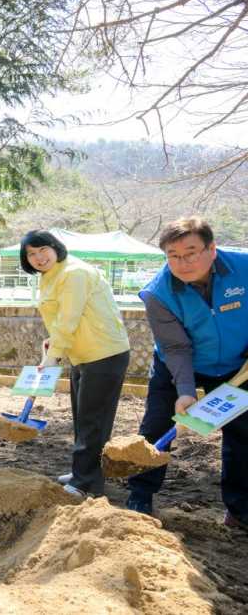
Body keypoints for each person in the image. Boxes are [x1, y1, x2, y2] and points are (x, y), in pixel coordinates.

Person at [127, 217, 248, 530]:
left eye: (191, 252)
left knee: (243, 434)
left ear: (212, 249)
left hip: (238, 364)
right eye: (173, 255)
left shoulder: (243, 268)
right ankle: (141, 493)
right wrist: (185, 390)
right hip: (177, 365)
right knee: (155, 426)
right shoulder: (158, 293)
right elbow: (176, 348)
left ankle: (239, 509)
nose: (183, 262)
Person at [21, 230, 131, 498]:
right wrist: (53, 343)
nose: (38, 257)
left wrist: (53, 357)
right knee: (83, 419)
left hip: (104, 354)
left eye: (42, 250)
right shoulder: (50, 276)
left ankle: (84, 483)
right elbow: (61, 321)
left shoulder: (74, 273)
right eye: (31, 254)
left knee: (93, 421)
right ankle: (84, 472)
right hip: (82, 354)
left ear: (55, 246)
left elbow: (69, 319)